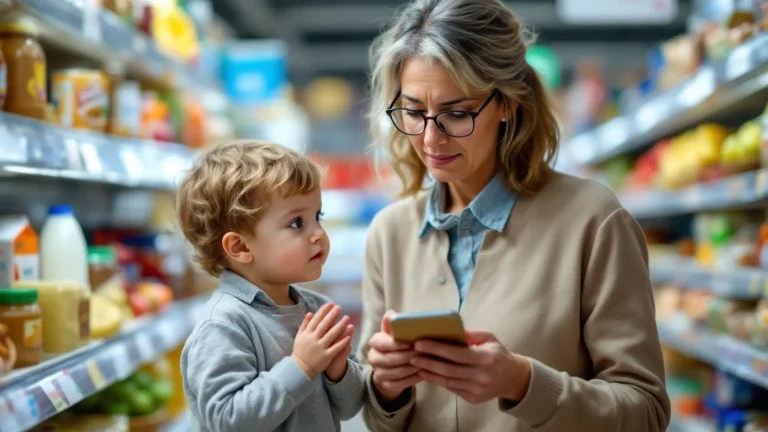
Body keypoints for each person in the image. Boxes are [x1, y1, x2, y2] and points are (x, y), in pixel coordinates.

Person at [357, 1, 671, 431]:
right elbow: (375, 417)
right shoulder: (389, 234)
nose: (430, 137)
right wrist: (386, 388)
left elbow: (646, 412)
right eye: (413, 112)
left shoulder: (593, 221)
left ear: (508, 103)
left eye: (456, 112)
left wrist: (523, 382)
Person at [177, 140, 366, 431]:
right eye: (296, 223)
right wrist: (302, 365)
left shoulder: (317, 311)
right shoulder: (223, 325)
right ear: (239, 246)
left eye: (318, 216)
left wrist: (339, 370)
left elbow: (351, 406)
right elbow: (228, 421)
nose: (318, 233)